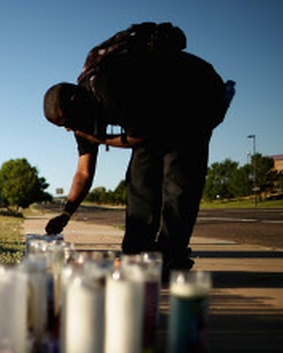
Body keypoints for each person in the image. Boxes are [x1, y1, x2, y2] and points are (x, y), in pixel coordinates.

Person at [43, 22, 234, 277]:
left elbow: (138, 137)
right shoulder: (82, 119)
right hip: (154, 116)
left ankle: (171, 255)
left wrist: (100, 140)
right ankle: (136, 253)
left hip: (194, 95)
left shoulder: (105, 87)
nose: (68, 130)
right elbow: (83, 173)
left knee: (178, 180)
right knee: (140, 180)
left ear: (76, 100)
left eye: (65, 123)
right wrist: (65, 214)